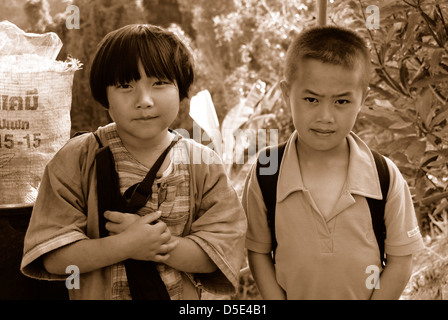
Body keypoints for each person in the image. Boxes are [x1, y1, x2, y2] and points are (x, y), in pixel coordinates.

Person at [21, 24, 247, 300]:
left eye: (159, 83)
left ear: (182, 90)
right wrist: (126, 245)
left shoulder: (203, 164)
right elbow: (54, 258)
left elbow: (220, 252)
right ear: (105, 97)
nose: (144, 100)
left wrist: (159, 245)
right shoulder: (77, 158)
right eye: (125, 85)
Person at [242, 25, 424, 300]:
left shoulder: (383, 175)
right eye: (311, 99)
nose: (325, 116)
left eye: (341, 101)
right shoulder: (267, 172)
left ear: (362, 99)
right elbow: (258, 251)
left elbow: (401, 260)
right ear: (285, 93)